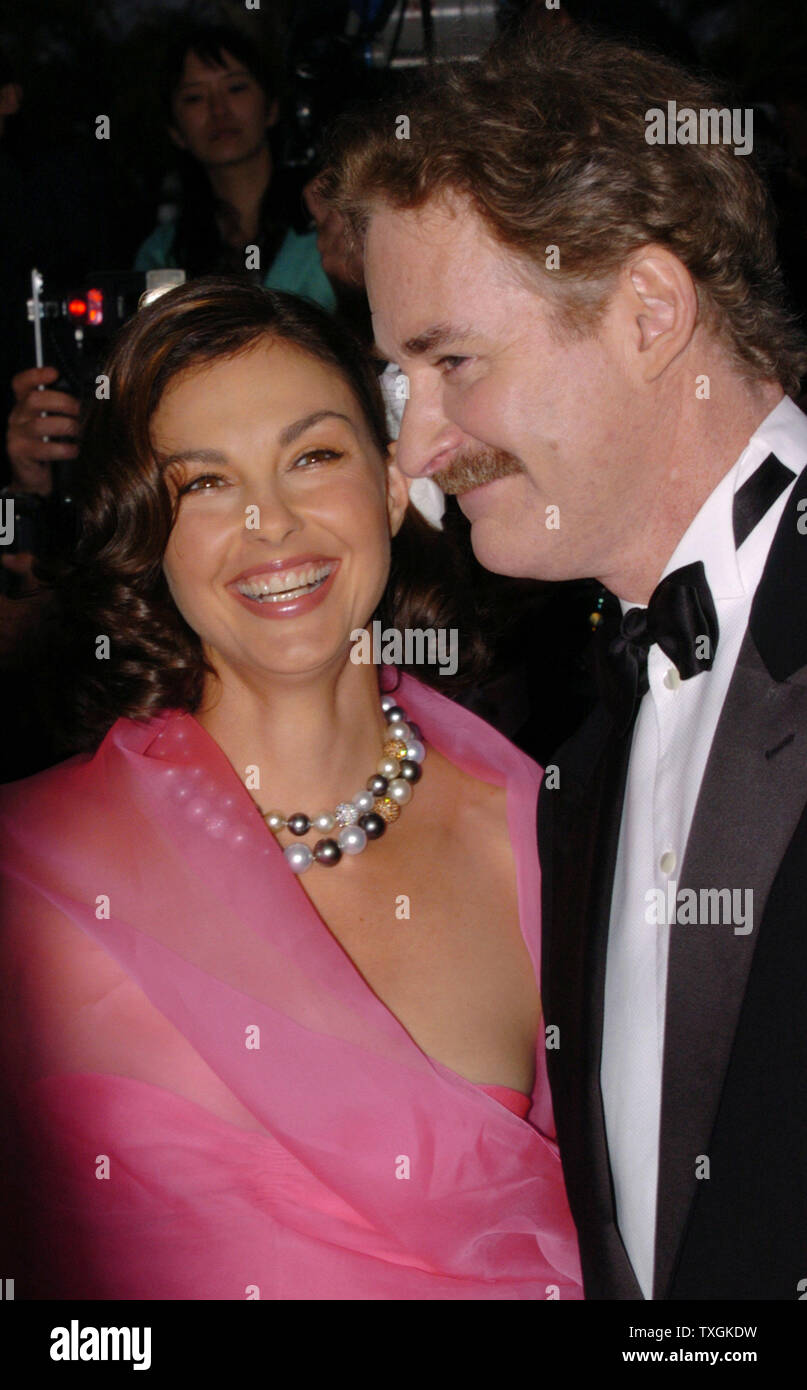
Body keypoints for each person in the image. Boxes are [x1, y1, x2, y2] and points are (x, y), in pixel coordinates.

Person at [324, 27, 807, 1299]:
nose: (419, 445)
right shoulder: (586, 734)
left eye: (453, 363)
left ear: (648, 311)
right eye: (396, 378)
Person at [0, 277, 581, 1300]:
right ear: (152, 537)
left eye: (313, 456)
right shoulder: (33, 870)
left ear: (393, 484)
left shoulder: (549, 840)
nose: (271, 522)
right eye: (205, 484)